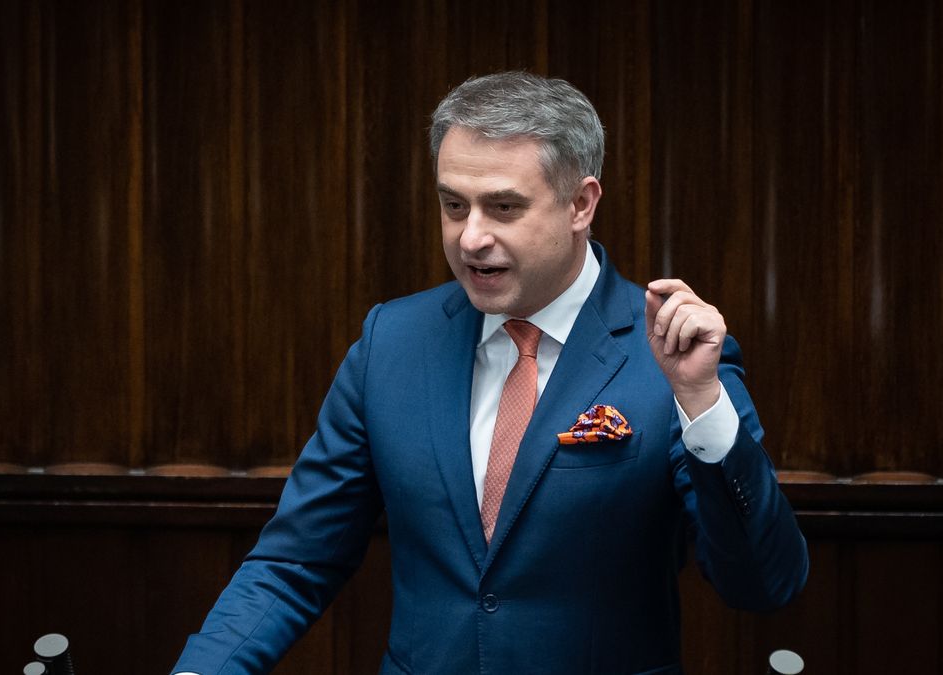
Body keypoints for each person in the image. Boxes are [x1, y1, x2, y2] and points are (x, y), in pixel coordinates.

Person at [173, 71, 807, 675]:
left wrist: (700, 403)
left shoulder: (669, 354)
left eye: (503, 208)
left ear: (580, 204)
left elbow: (764, 583)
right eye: (454, 205)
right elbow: (294, 561)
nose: (470, 238)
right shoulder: (391, 342)